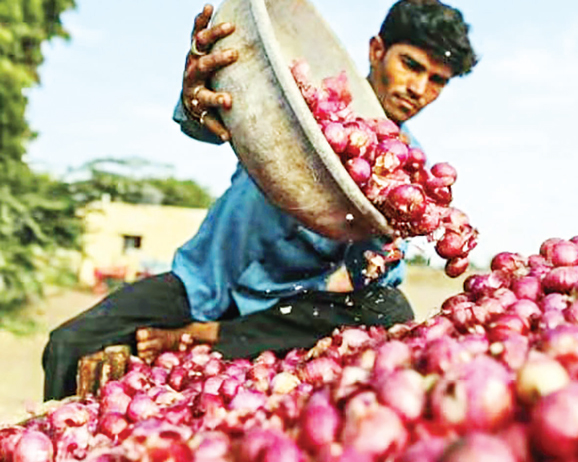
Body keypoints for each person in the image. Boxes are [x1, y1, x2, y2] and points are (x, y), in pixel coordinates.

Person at [42, 0, 478, 401]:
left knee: (390, 307)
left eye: (437, 80)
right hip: (205, 282)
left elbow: (377, 279)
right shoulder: (305, 101)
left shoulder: (410, 178)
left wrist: (391, 237)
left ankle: (212, 335)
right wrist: (197, 100)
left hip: (284, 306)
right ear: (377, 50)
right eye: (411, 65)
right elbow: (215, 118)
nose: (418, 88)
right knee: (69, 344)